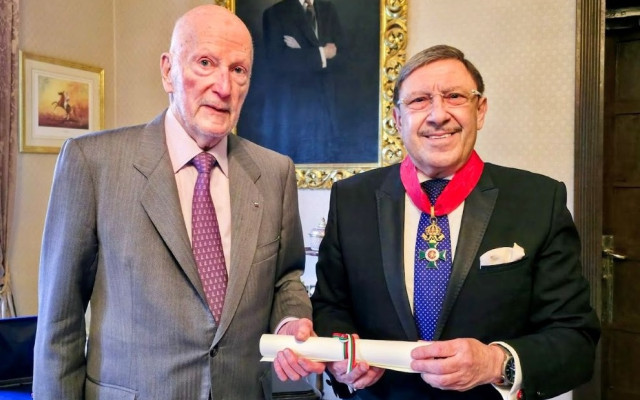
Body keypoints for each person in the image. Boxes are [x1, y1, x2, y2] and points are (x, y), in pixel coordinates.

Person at [33, 5, 324, 399]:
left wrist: (290, 320)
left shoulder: (275, 172)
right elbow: (59, 325)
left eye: (238, 70)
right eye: (206, 63)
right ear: (168, 71)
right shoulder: (92, 163)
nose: (224, 87)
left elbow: (285, 278)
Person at [311, 44, 600, 399]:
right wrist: (343, 354)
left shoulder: (539, 200)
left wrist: (496, 362)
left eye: (455, 97)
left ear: (480, 110)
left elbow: (576, 339)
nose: (438, 115)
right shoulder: (351, 199)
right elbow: (329, 306)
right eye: (419, 100)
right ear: (398, 119)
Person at [259, 0, 343, 163]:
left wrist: (302, 52)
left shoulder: (328, 9)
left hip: (325, 106)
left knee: (325, 159)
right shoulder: (275, 13)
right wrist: (322, 53)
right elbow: (278, 61)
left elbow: (342, 55)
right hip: (293, 107)